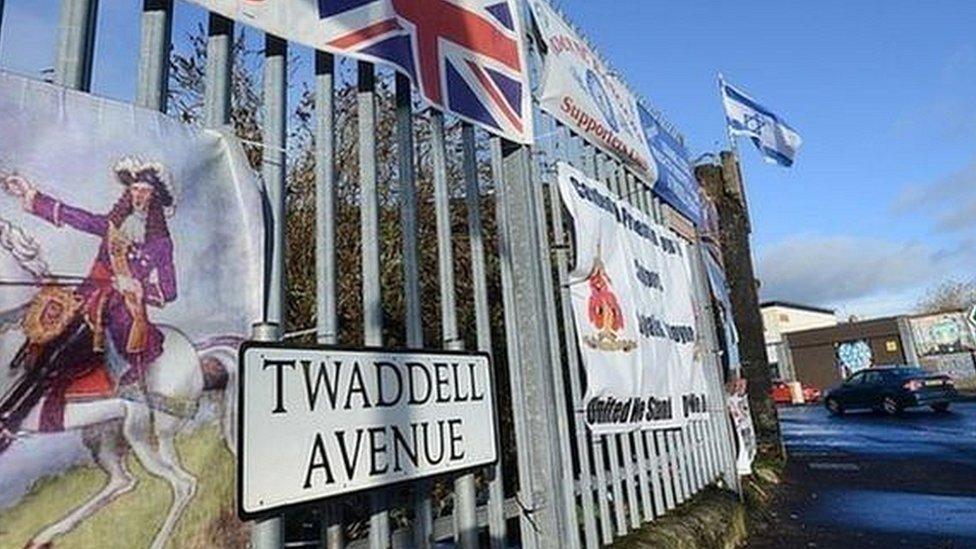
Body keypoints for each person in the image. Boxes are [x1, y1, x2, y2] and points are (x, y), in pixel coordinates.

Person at [0, 157, 177, 441]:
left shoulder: (160, 244)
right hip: (86, 300)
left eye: (144, 191)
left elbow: (169, 291)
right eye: (134, 190)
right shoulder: (113, 226)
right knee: (39, 339)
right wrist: (28, 194)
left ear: (155, 196)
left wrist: (136, 286)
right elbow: (77, 217)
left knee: (54, 359)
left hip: (120, 316)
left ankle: (10, 424)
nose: (138, 196)